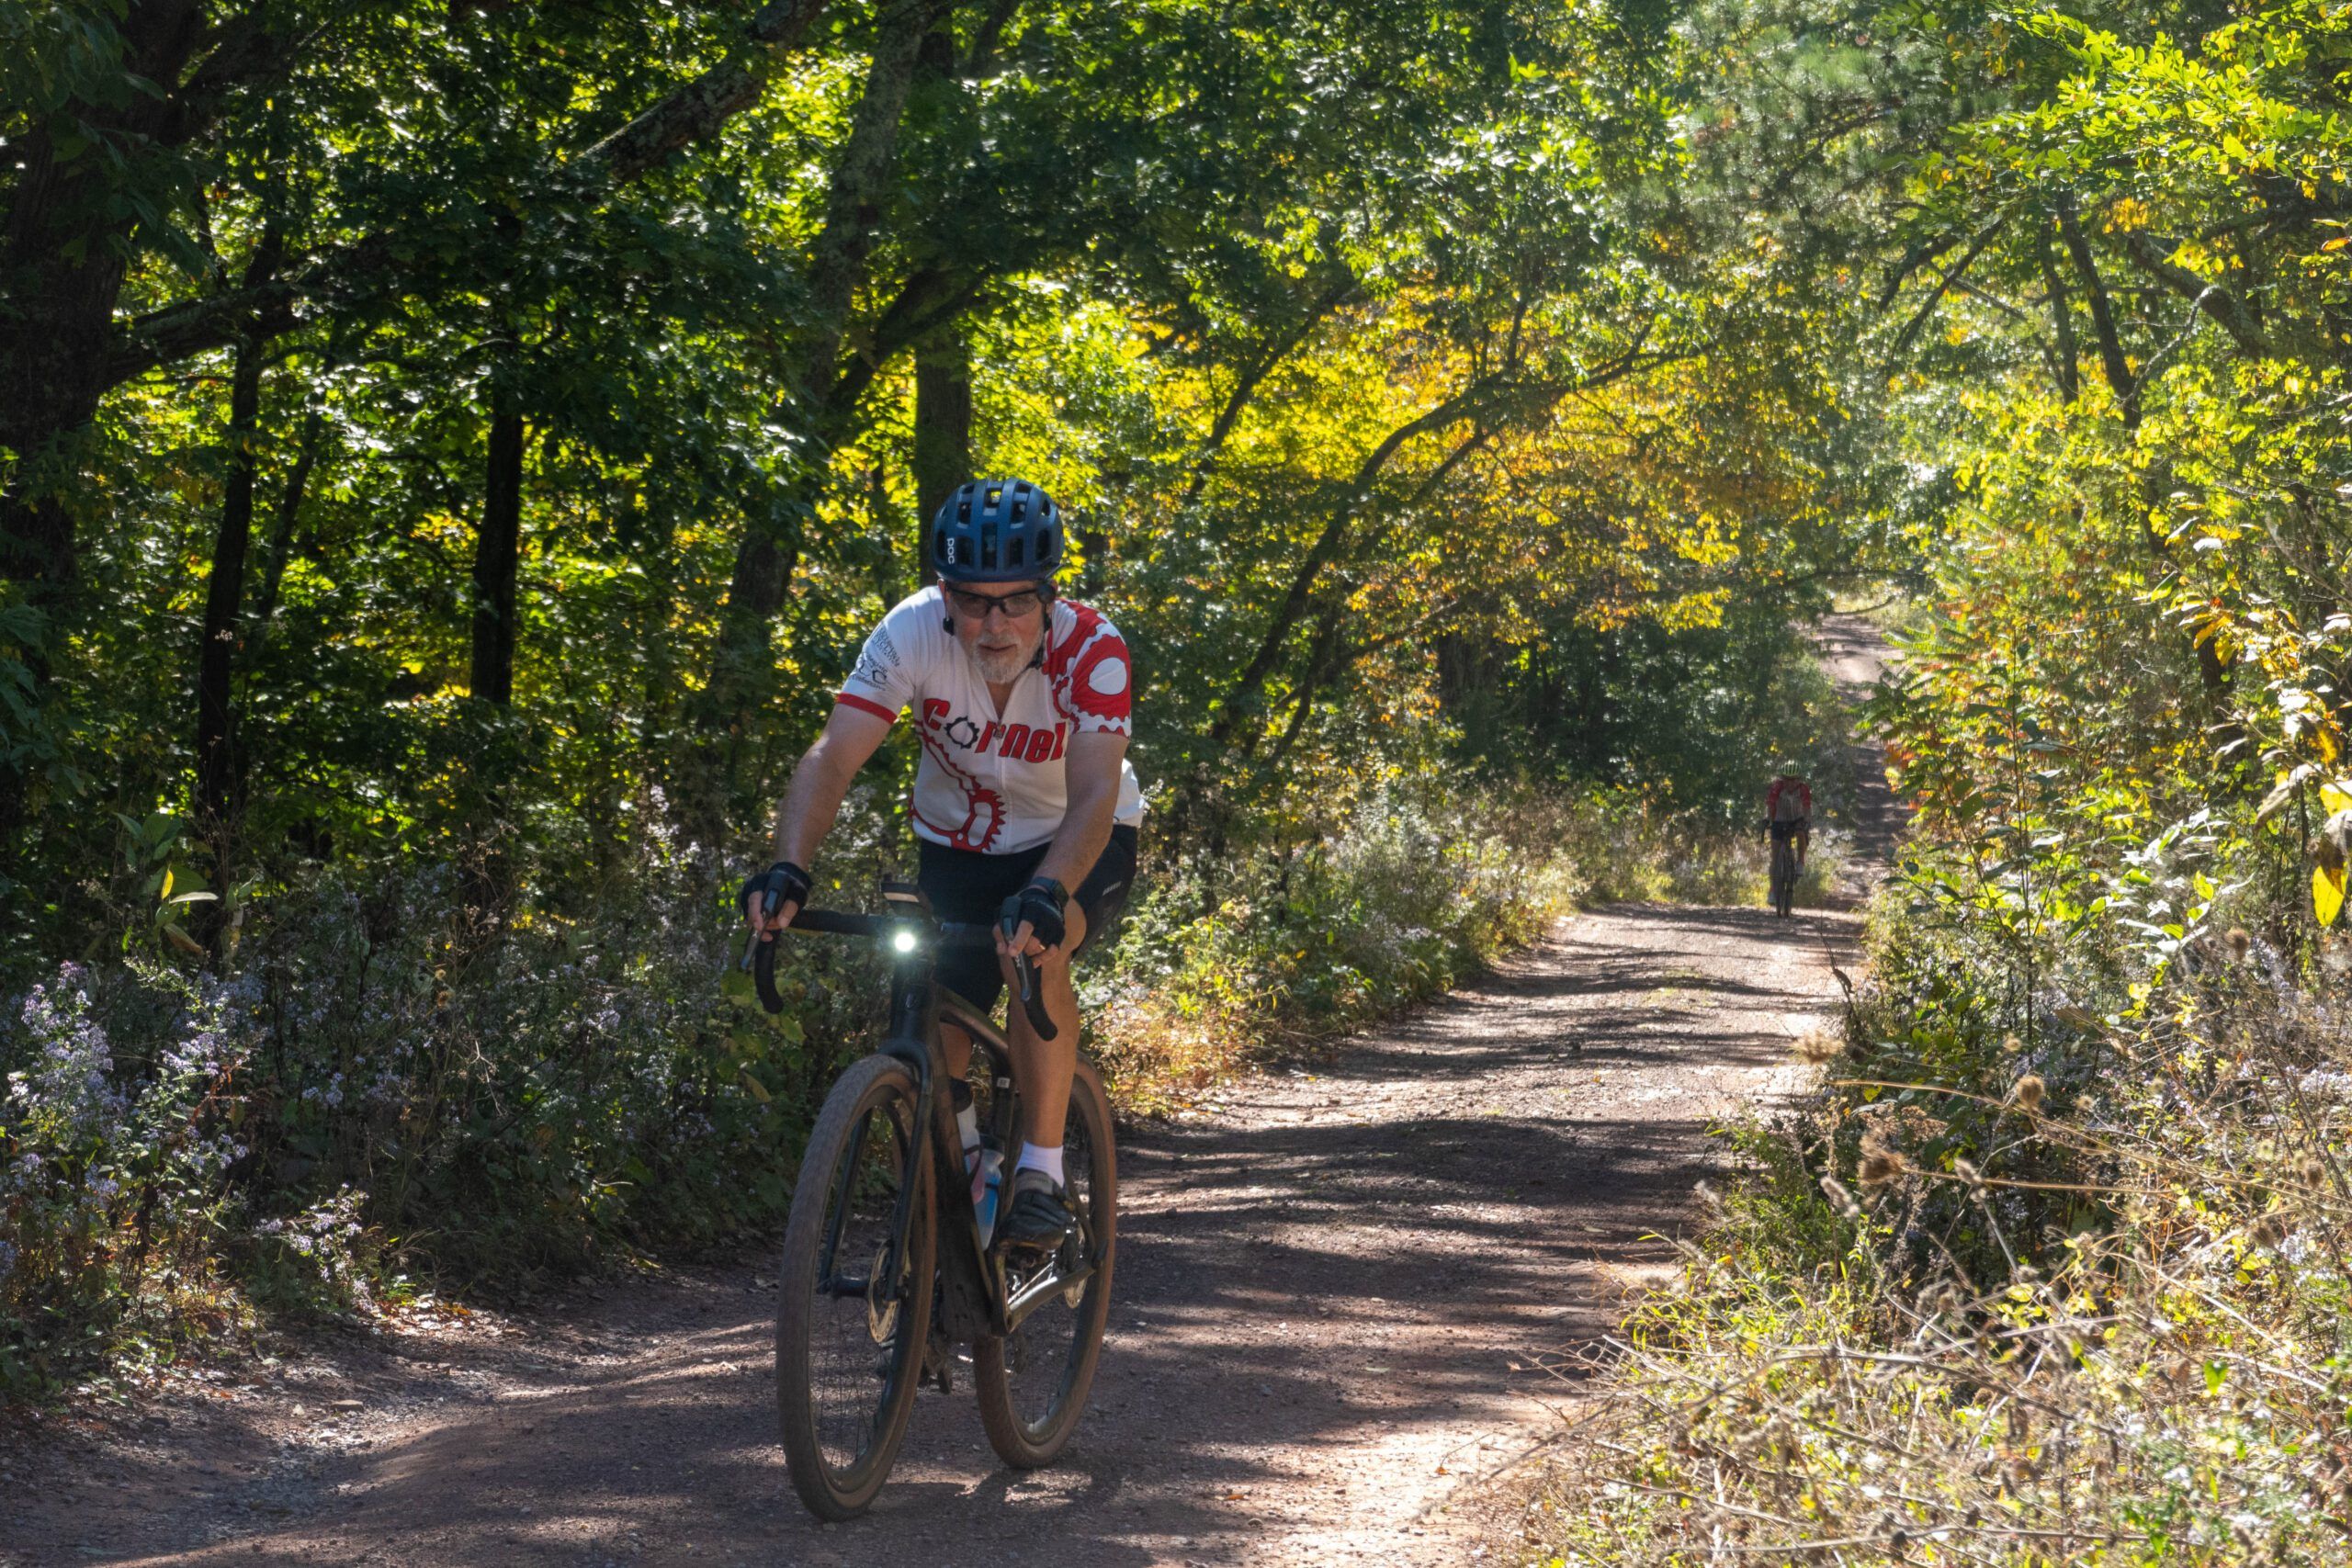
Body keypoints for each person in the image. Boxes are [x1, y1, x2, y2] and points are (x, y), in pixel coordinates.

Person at [740, 478, 1143, 1252]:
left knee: (1036, 947)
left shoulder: (1094, 649)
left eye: (1016, 602)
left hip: (1077, 839)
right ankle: (952, 1200)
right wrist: (788, 866)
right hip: (957, 846)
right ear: (944, 595)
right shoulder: (912, 632)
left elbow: (1094, 791)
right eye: (973, 601)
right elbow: (833, 757)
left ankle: (1040, 1173)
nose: (994, 624)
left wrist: (1048, 891)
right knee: (928, 1029)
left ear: (1049, 596)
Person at [1766, 770, 1811, 869]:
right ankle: (1774, 883)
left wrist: (1807, 820)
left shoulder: (1803, 789)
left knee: (1800, 832)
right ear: (1783, 779)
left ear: (1799, 780)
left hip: (1797, 818)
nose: (1790, 783)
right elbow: (1771, 804)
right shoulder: (1777, 787)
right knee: (1775, 857)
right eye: (1787, 779)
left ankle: (1800, 861)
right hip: (1780, 819)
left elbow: (1806, 807)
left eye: (1793, 780)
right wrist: (1768, 818)